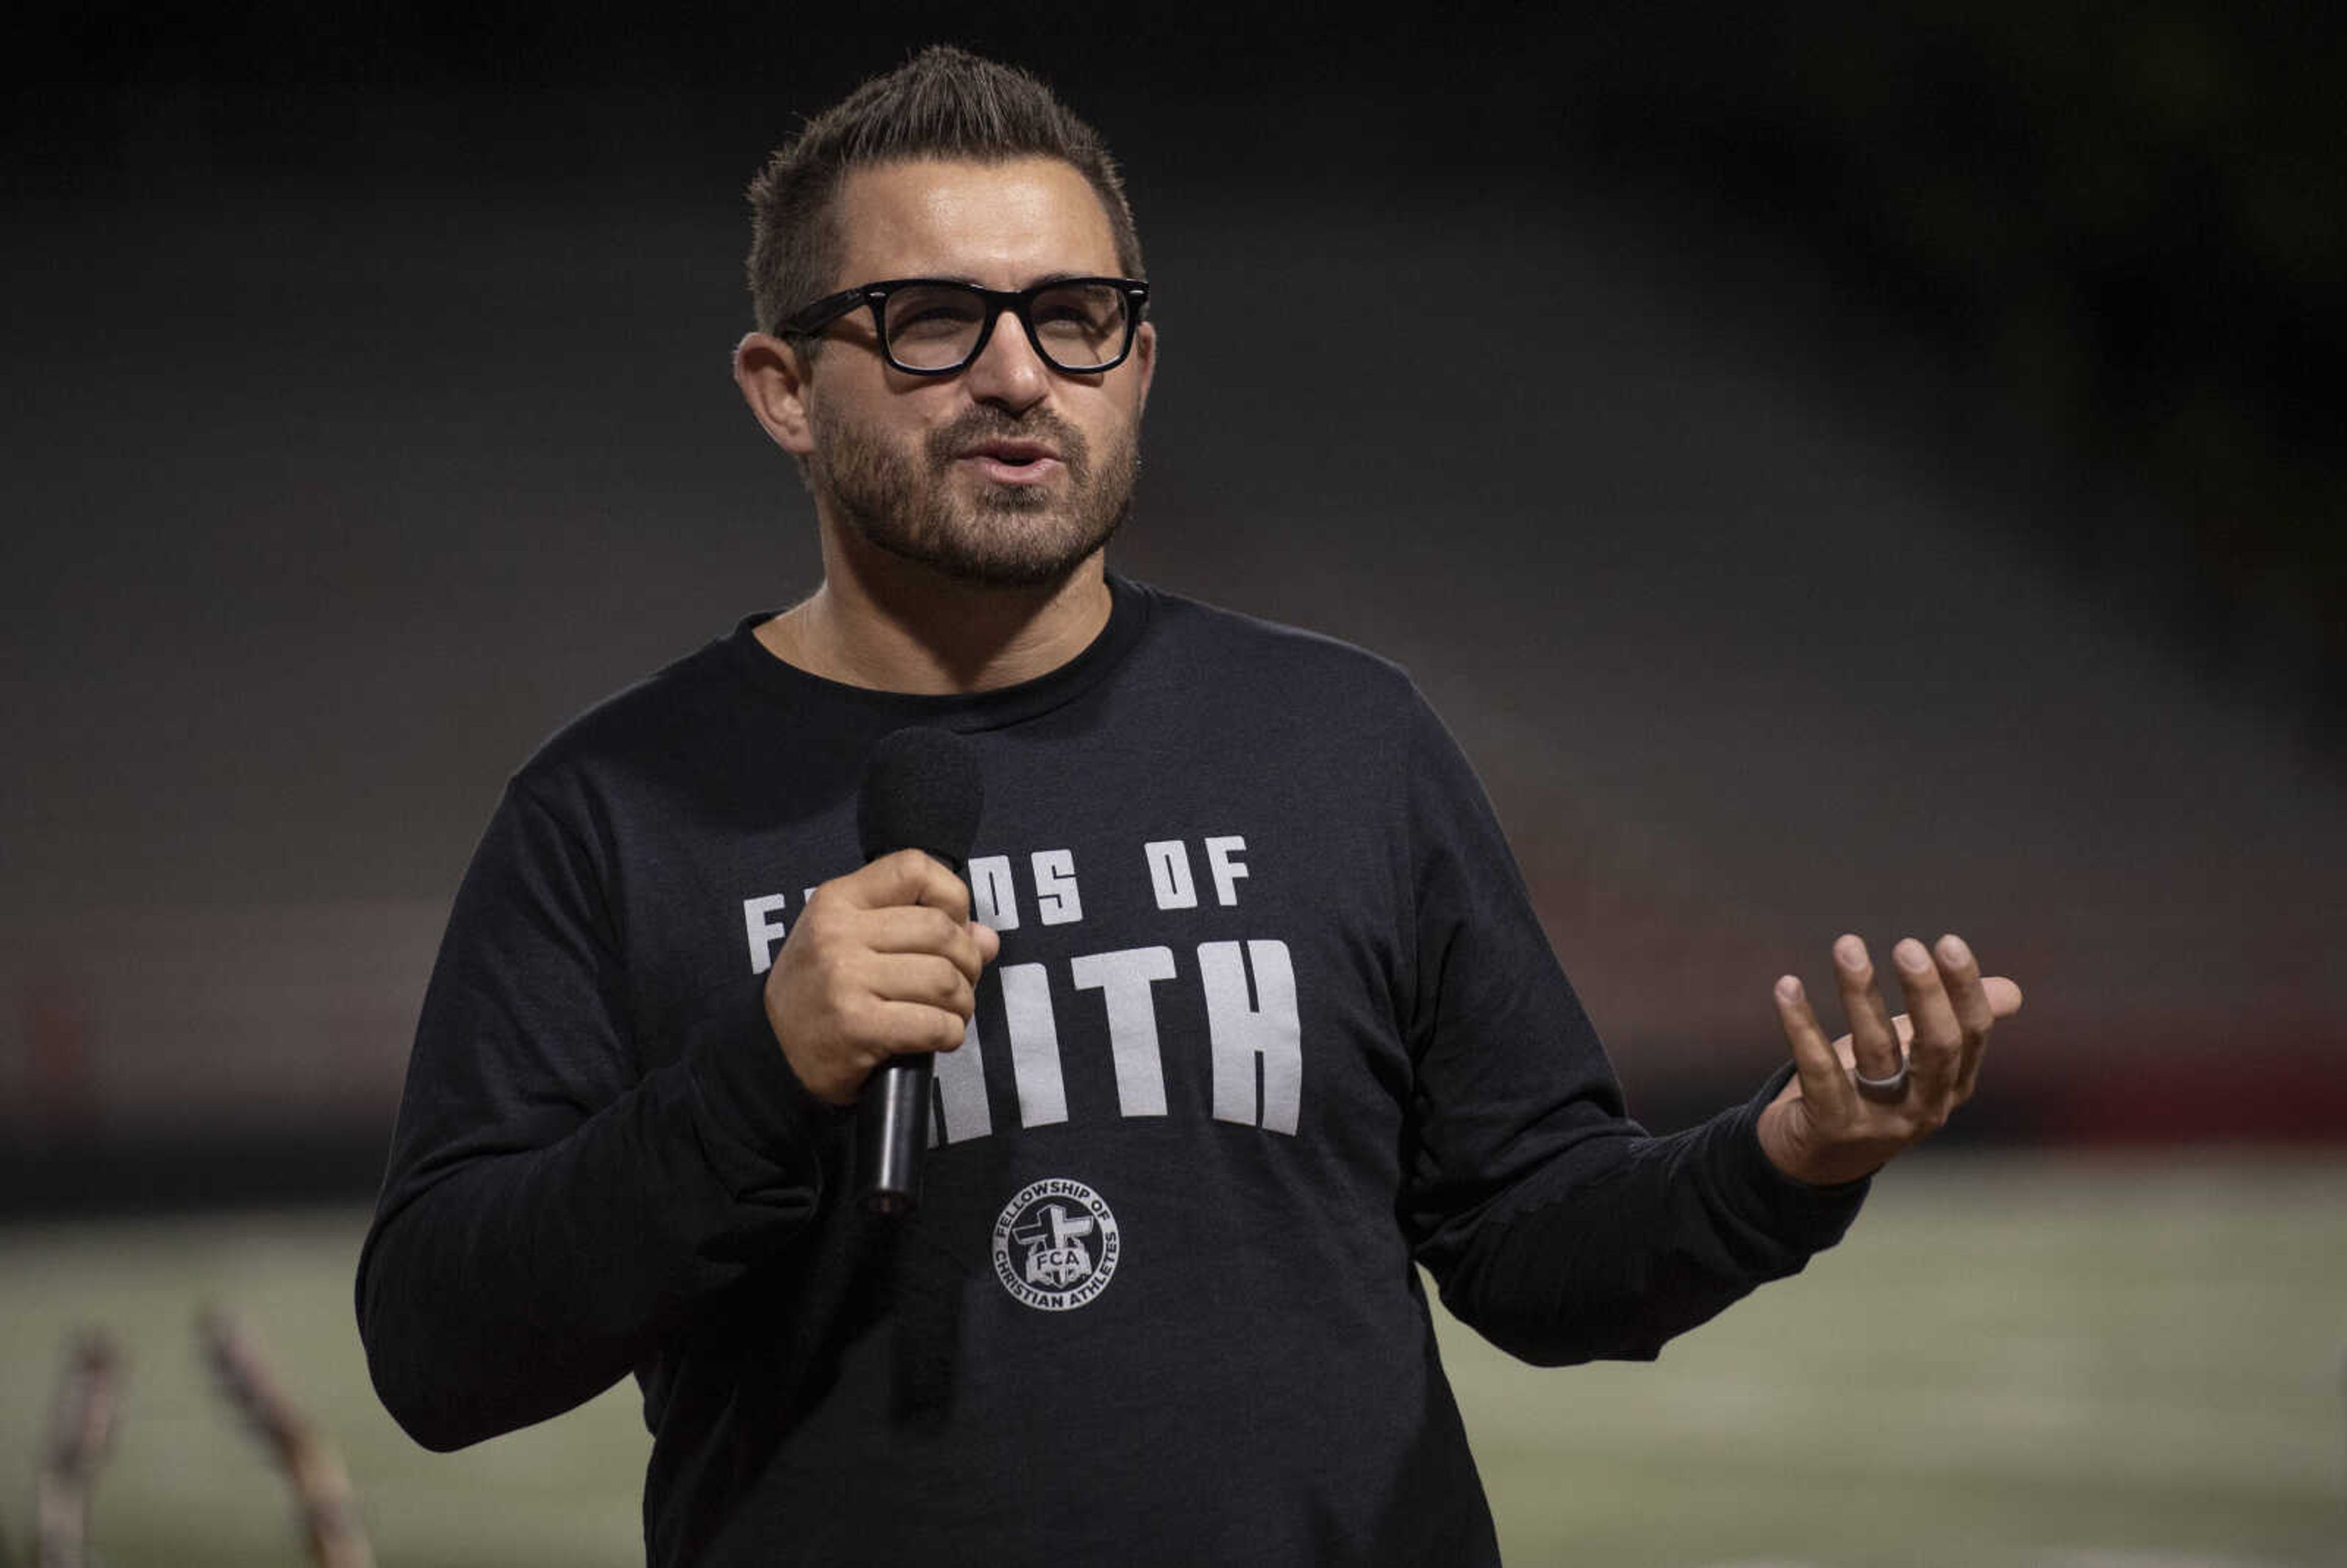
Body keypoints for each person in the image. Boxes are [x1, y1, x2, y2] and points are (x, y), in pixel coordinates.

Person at [355, 46, 2022, 1567]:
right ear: (784, 388)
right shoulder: (614, 810)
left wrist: (1789, 1161)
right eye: (932, 320)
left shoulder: (1342, 740)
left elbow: (1534, 1247)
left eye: (1073, 314)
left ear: (1136, 362)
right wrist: (755, 1073)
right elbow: (437, 1351)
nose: (1016, 372)